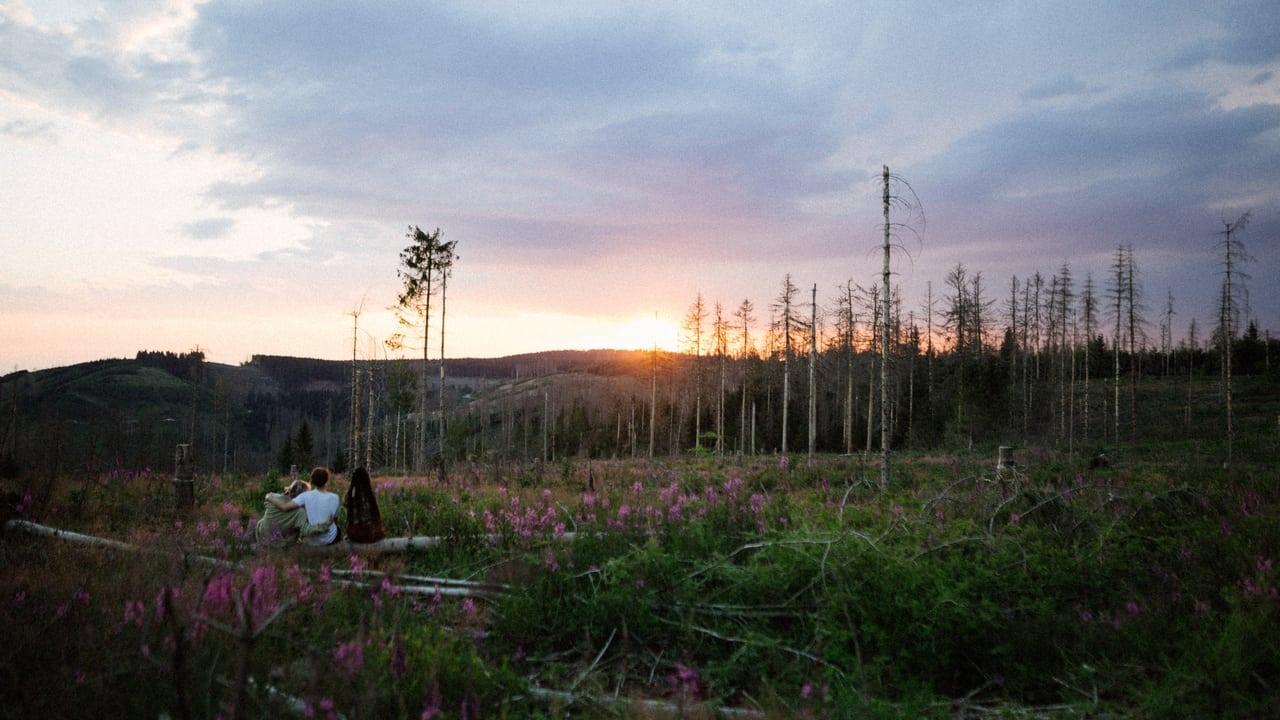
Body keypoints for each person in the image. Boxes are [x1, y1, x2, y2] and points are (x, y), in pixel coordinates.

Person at [265, 467, 341, 546]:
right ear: (327, 480)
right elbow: (335, 520)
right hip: (329, 539)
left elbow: (284, 507)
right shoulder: (335, 497)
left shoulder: (305, 496)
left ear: (312, 480)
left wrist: (269, 497)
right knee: (337, 530)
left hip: (312, 540)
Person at [255, 479, 331, 546]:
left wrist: (270, 497)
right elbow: (306, 530)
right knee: (299, 529)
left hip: (260, 534)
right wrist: (325, 525)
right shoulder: (300, 512)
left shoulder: (275, 497)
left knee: (265, 519)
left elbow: (268, 496)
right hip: (277, 543)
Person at [344, 467, 385, 543]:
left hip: (355, 535)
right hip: (372, 534)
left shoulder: (350, 495)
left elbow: (349, 514)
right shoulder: (370, 495)